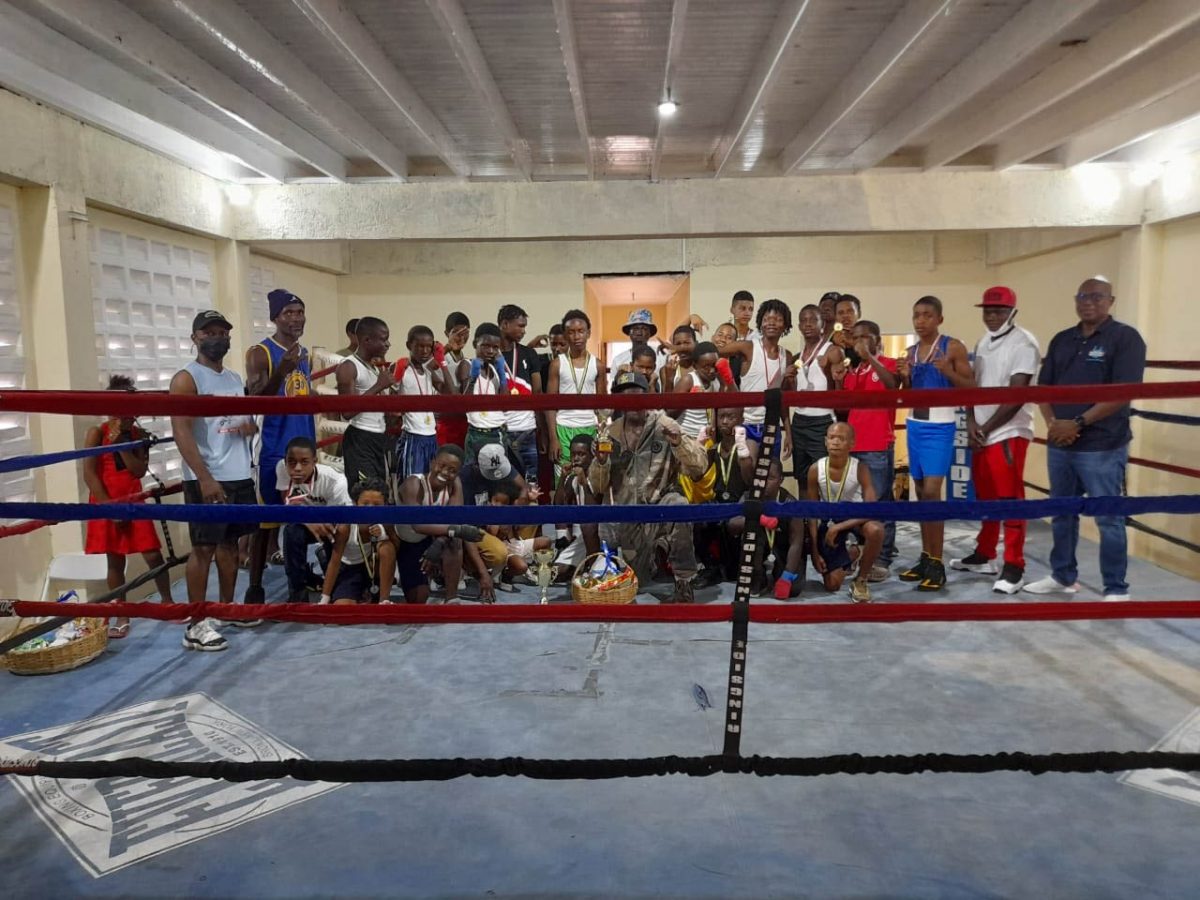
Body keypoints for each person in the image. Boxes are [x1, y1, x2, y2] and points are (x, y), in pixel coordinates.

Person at [1025, 276, 1146, 601]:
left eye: (1096, 296)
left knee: (1108, 518)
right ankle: (1062, 576)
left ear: (1111, 300)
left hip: (1103, 445)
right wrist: (1054, 424)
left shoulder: (1125, 338)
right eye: (1082, 296)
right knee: (1062, 513)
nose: (1088, 302)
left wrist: (1077, 422)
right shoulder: (1063, 339)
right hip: (1060, 443)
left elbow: (1124, 392)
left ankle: (1116, 589)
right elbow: (1044, 389)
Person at [170, 310, 261, 652]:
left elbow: (239, 422)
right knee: (204, 548)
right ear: (195, 337)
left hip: (238, 472)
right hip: (206, 477)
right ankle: (196, 623)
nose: (217, 337)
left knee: (231, 545)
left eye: (222, 332)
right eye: (209, 332)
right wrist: (205, 478)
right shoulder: (186, 379)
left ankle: (226, 608)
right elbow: (181, 432)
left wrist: (247, 427)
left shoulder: (234, 378)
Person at [587, 371, 709, 603]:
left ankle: (684, 581)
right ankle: (649, 557)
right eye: (626, 397)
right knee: (640, 579)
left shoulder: (665, 425)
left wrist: (678, 442)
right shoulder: (609, 433)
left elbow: (699, 467)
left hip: (661, 507)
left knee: (679, 505)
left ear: (648, 397)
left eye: (638, 396)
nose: (633, 403)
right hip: (628, 518)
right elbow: (598, 486)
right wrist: (600, 462)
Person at [950, 287, 1041, 594]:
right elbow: (976, 387)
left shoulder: (1024, 343)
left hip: (1009, 431)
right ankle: (985, 553)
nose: (992, 315)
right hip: (983, 429)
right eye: (988, 309)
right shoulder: (983, 341)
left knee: (1009, 498)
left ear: (1012, 312)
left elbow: (1017, 394)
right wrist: (973, 422)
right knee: (987, 496)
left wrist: (986, 427)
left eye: (998, 310)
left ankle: (1015, 565)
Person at [83, 375, 176, 638]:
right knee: (115, 561)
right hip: (106, 501)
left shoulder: (138, 435)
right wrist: (109, 508)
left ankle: (167, 602)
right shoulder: (96, 432)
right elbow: (89, 474)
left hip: (133, 501)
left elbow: (137, 471)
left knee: (153, 555)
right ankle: (122, 614)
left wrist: (122, 441)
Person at [895, 296, 974, 592]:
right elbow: (907, 394)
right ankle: (927, 557)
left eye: (927, 315)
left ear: (939, 318)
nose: (920, 320)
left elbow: (972, 387)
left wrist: (948, 372)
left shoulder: (952, 347)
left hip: (941, 426)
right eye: (916, 315)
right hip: (916, 425)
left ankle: (939, 564)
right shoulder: (911, 352)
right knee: (919, 492)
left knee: (932, 492)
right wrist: (904, 377)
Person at [244, 288, 315, 605]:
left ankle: (297, 587)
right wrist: (281, 372)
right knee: (266, 523)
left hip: (304, 445)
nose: (296, 318)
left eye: (299, 311)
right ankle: (255, 588)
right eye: (289, 312)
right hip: (274, 449)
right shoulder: (259, 352)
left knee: (299, 521)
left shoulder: (305, 354)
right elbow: (256, 398)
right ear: (275, 317)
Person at [832, 320, 899, 580]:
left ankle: (882, 558)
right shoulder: (856, 370)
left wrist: (870, 356)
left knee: (879, 503)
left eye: (865, 337)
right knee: (853, 501)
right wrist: (839, 382)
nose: (859, 341)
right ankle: (861, 551)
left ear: (876, 338)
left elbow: (893, 386)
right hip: (854, 447)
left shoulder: (888, 363)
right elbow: (843, 406)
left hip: (878, 446)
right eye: (855, 337)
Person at [394, 444, 490, 603]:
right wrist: (453, 531)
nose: (446, 472)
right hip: (406, 541)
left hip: (433, 537)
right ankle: (405, 572)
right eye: (442, 466)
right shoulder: (413, 483)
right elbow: (417, 525)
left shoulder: (455, 485)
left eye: (452, 470)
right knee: (418, 599)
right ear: (432, 462)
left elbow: (454, 519)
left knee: (455, 541)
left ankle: (451, 597)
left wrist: (439, 542)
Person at [806, 422, 885, 603]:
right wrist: (815, 551)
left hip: (855, 517)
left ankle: (861, 580)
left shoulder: (860, 468)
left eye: (841, 439)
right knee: (831, 585)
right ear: (825, 441)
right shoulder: (815, 470)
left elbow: (872, 508)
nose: (835, 442)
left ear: (852, 444)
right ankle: (854, 553)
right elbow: (811, 514)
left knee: (876, 530)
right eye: (832, 438)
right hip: (829, 521)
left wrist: (839, 527)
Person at [273, 436, 354, 602]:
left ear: (314, 461)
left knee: (339, 592)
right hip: (305, 521)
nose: (297, 468)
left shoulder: (336, 481)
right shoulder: (281, 468)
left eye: (304, 462)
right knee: (291, 531)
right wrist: (308, 519)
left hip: (335, 524)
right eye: (292, 462)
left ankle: (327, 564)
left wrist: (314, 519)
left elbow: (342, 522)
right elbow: (287, 502)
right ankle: (298, 595)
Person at [717, 298, 794, 458]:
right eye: (767, 319)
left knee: (771, 473)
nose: (771, 323)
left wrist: (789, 432)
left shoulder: (786, 356)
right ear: (760, 323)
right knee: (746, 468)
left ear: (785, 325)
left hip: (771, 425)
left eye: (778, 319)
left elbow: (783, 401)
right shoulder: (748, 347)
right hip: (746, 424)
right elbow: (712, 351)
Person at [335, 316, 395, 486]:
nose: (388, 344)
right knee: (365, 494)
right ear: (367, 340)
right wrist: (378, 386)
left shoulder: (375, 368)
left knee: (380, 493)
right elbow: (346, 412)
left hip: (379, 439)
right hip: (360, 439)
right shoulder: (348, 367)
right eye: (384, 339)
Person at [319, 477, 397, 605]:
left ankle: (384, 600)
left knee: (387, 547)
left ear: (385, 505)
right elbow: (335, 562)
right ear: (356, 503)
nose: (370, 509)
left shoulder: (387, 521)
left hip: (373, 569)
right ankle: (354, 594)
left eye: (377, 505)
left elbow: (396, 550)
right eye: (365, 504)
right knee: (343, 608)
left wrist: (383, 534)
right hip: (349, 569)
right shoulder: (346, 527)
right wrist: (324, 599)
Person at [546, 309, 604, 478]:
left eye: (581, 331)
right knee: (564, 478)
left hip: (589, 428)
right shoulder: (557, 364)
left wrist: (601, 433)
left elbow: (601, 406)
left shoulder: (598, 365)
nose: (576, 336)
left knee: (589, 478)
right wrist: (553, 438)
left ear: (588, 334)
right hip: (563, 427)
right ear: (565, 335)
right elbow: (549, 404)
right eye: (571, 332)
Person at [788, 304, 839, 486]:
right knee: (802, 478)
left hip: (822, 420)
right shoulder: (797, 357)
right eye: (803, 320)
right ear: (799, 326)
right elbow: (794, 393)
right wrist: (790, 381)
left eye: (813, 320)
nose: (808, 324)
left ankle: (826, 515)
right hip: (799, 421)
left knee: (824, 478)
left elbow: (838, 391)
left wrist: (827, 372)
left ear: (822, 324)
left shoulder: (832, 351)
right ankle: (807, 515)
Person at [394, 325, 453, 481]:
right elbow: (391, 404)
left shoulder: (428, 371)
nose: (425, 351)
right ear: (409, 346)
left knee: (430, 484)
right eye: (420, 346)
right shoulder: (402, 367)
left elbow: (451, 393)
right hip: (413, 437)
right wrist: (396, 378)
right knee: (412, 485)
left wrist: (442, 362)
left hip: (431, 436)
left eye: (429, 346)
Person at [497, 304, 543, 487]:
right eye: (520, 326)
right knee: (503, 486)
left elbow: (538, 392)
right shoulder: (491, 356)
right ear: (504, 324)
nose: (524, 331)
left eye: (525, 326)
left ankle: (531, 517)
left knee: (531, 484)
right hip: (501, 431)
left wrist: (542, 431)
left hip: (528, 430)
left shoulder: (528, 353)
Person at [458, 323, 509, 466]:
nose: (490, 351)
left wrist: (502, 375)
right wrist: (473, 379)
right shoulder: (467, 364)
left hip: (498, 432)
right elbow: (465, 404)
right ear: (475, 344)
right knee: (474, 477)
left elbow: (506, 406)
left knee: (498, 477)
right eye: (485, 346)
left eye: (495, 347)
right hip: (477, 433)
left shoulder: (495, 369)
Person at [552, 433, 601, 578]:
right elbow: (558, 504)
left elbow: (590, 511)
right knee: (556, 572)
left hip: (599, 534)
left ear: (592, 456)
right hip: (583, 537)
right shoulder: (573, 478)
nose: (576, 458)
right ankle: (565, 550)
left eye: (581, 454)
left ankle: (592, 566)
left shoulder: (598, 476)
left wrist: (584, 482)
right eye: (573, 454)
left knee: (588, 526)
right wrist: (562, 478)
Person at [668, 341, 727, 439]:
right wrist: (690, 400)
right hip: (686, 437)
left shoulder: (716, 380)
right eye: (706, 367)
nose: (712, 371)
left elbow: (722, 408)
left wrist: (723, 382)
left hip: (707, 439)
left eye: (714, 365)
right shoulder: (689, 380)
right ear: (695, 366)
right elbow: (670, 413)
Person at [437, 312, 471, 450]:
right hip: (445, 421)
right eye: (456, 332)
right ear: (446, 333)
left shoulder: (468, 360)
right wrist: (447, 348)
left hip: (464, 420)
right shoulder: (440, 356)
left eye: (465, 332)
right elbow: (427, 367)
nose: (461, 337)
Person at [609, 308, 661, 382]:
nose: (639, 332)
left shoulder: (661, 356)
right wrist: (619, 375)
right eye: (635, 329)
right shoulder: (618, 360)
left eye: (644, 329)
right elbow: (613, 389)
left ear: (650, 333)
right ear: (629, 333)